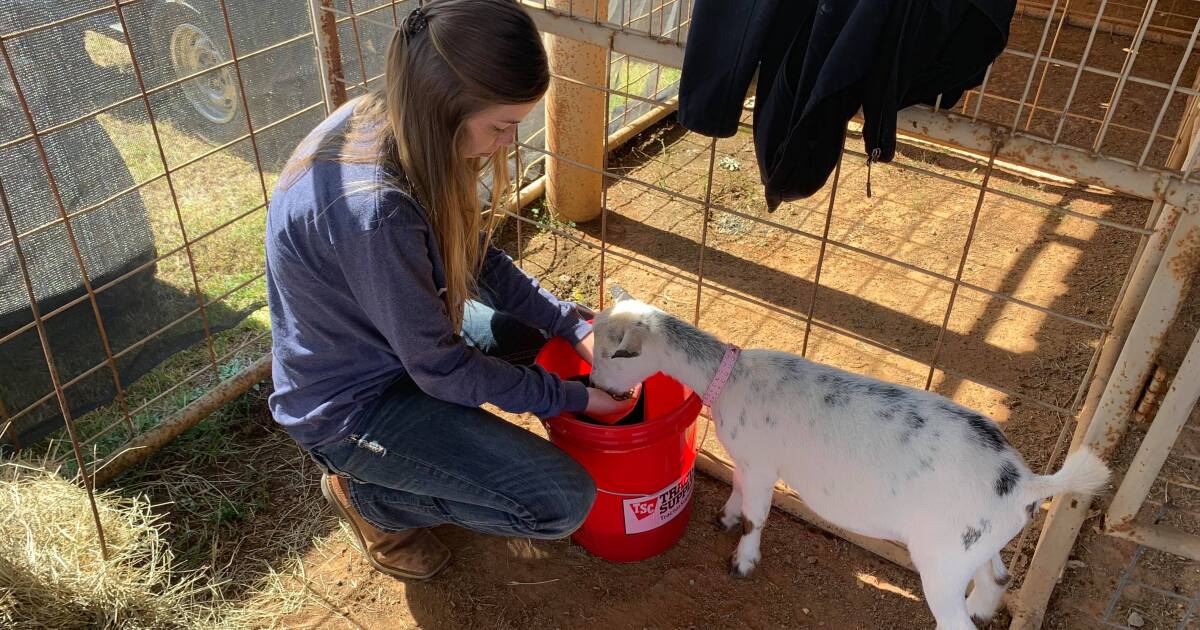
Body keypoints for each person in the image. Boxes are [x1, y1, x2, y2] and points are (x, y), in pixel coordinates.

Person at [264, 0, 635, 580]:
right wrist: (572, 397)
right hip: (354, 404)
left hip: (397, 341)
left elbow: (476, 254)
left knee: (530, 335)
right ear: (446, 108)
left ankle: (436, 454)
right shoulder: (374, 210)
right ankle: (369, 500)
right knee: (560, 503)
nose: (507, 143)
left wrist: (569, 323)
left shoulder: (397, 117)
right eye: (502, 126)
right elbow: (443, 370)